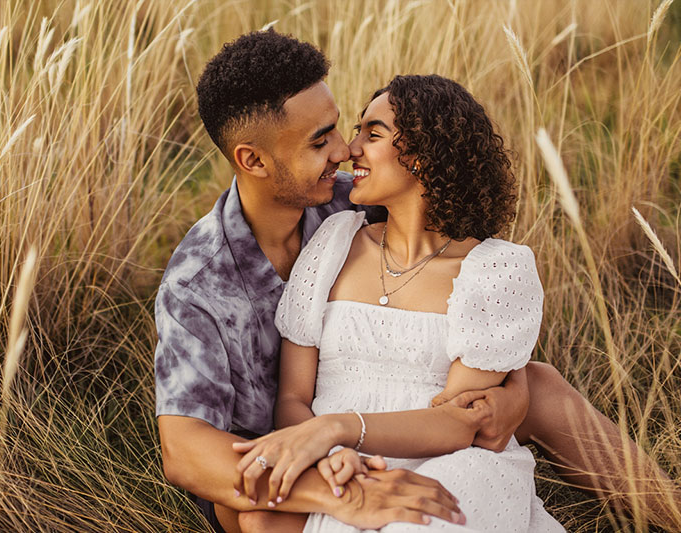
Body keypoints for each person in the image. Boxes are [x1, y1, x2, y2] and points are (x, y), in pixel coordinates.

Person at [155, 29, 679, 533]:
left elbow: (458, 267)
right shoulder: (200, 284)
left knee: (537, 382)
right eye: (321, 140)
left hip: (410, 424)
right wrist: (344, 484)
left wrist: (509, 391)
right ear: (253, 160)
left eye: (347, 128)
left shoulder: (347, 199)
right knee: (251, 515)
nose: (344, 151)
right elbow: (185, 451)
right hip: (286, 468)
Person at [232, 74, 566, 532]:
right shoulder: (333, 243)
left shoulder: (495, 271)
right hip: (340, 469)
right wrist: (332, 454)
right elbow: (293, 397)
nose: (351, 149)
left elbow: (460, 425)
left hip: (454, 467)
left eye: (373, 134)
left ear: (428, 154)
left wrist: (338, 427)